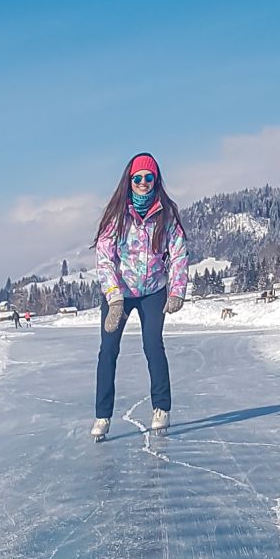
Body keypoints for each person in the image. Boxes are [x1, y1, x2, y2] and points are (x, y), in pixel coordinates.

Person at [90, 153, 188, 441]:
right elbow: (104, 258)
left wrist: (177, 291)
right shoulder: (116, 215)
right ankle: (102, 415)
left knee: (153, 345)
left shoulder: (166, 214)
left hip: (153, 291)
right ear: (129, 181)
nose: (143, 183)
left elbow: (179, 254)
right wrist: (114, 299)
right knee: (108, 350)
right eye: (138, 178)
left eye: (149, 177)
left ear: (155, 179)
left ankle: (162, 408)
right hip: (119, 293)